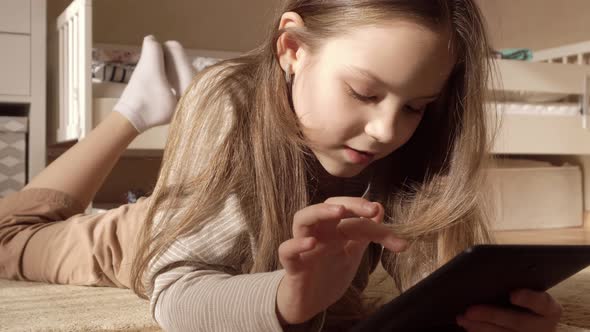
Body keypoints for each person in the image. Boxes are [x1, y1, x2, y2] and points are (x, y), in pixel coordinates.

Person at [0, 1, 563, 331]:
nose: (388, 130)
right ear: (292, 49)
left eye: (415, 106)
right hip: (144, 234)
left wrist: (484, 313)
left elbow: (427, 286)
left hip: (199, 207)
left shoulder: (410, 146)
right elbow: (175, 295)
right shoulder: (229, 100)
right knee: (7, 237)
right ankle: (135, 109)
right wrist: (285, 300)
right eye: (364, 93)